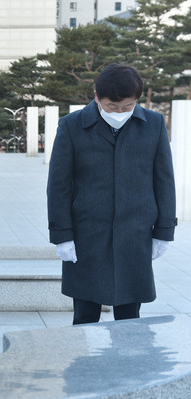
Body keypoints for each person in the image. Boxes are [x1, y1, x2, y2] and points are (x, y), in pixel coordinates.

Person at [47, 63, 177, 325]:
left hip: (135, 232)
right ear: (96, 96)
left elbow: (164, 180)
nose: (119, 113)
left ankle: (128, 365)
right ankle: (85, 366)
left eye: (127, 107)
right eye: (111, 106)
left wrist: (164, 232)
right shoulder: (72, 126)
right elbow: (59, 184)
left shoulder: (152, 124)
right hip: (87, 234)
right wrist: (62, 235)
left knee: (130, 317)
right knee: (85, 314)